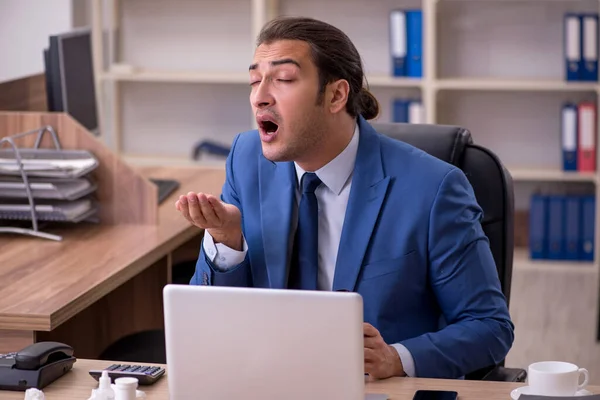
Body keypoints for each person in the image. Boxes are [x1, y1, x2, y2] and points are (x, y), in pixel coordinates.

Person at [175, 16, 514, 380]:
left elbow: (489, 327)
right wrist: (228, 242)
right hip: (270, 380)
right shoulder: (246, 158)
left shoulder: (434, 187)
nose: (260, 97)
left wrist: (397, 359)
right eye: (255, 80)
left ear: (336, 95)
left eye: (284, 79)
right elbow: (212, 321)